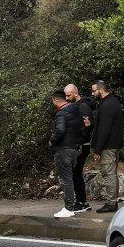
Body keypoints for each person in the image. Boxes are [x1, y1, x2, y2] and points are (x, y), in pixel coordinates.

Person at [90, 80, 124, 213]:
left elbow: (104, 129)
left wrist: (98, 150)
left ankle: (111, 203)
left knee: (109, 173)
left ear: (101, 90)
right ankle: (112, 202)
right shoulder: (111, 102)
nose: (92, 93)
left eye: (94, 90)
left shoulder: (108, 104)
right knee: (110, 173)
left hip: (108, 146)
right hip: (112, 145)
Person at [49, 89, 84, 218]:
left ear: (55, 100)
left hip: (64, 149)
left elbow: (60, 130)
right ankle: (71, 205)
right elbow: (81, 129)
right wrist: (78, 145)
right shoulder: (76, 111)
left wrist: (52, 140)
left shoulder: (61, 114)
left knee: (66, 179)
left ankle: (68, 208)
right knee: (70, 178)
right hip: (75, 149)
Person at [64, 83, 93, 212]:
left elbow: (86, 127)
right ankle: (81, 201)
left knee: (76, 173)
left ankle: (82, 202)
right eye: (65, 95)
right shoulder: (74, 106)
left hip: (82, 145)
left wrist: (80, 143)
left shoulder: (83, 107)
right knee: (75, 173)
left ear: (75, 93)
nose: (66, 98)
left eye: (68, 95)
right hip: (77, 144)